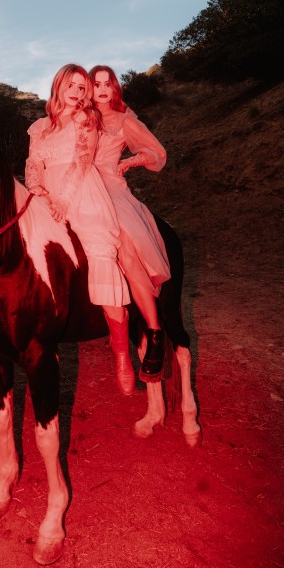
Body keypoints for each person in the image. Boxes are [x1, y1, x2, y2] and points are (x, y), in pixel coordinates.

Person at [24, 64, 133, 392]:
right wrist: (37, 190)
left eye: (82, 88)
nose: (76, 91)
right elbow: (33, 164)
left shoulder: (86, 119)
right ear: (58, 85)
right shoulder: (39, 126)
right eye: (71, 84)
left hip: (82, 194)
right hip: (45, 198)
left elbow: (82, 160)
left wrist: (64, 201)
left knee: (101, 257)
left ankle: (122, 353)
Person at [88, 65, 170, 385]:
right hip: (80, 190)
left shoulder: (124, 120)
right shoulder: (79, 119)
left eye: (109, 83)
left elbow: (156, 153)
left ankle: (155, 332)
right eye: (96, 84)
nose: (103, 89)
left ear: (115, 88)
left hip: (110, 190)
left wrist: (130, 160)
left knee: (124, 245)